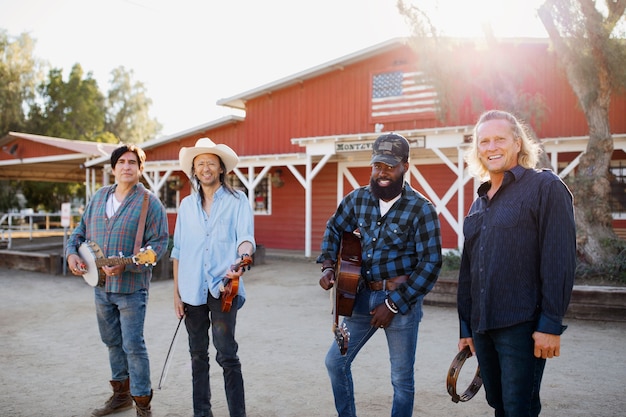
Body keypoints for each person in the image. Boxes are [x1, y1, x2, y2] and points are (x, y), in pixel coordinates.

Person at [457, 110, 577, 416]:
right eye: (484, 141)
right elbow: (468, 272)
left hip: (521, 326)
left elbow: (559, 259)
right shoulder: (478, 203)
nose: (491, 146)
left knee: (518, 409)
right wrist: (466, 327)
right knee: (499, 405)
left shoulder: (544, 187)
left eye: (500, 139)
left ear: (518, 143)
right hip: (483, 327)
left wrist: (550, 324)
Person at [318, 133, 443, 417]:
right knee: (335, 362)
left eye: (390, 166)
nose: (382, 173)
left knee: (401, 379)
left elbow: (431, 263)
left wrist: (394, 304)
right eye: (377, 165)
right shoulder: (357, 199)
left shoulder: (421, 209)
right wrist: (327, 264)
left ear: (405, 167)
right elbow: (334, 228)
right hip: (359, 297)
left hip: (401, 303)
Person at [66, 144, 169, 417]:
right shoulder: (99, 197)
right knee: (112, 342)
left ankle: (143, 404)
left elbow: (159, 244)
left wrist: (130, 266)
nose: (126, 166)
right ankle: (120, 396)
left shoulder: (150, 202)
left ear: (140, 168)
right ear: (113, 168)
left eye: (132, 162)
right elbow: (78, 232)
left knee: (133, 345)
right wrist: (71, 254)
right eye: (121, 162)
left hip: (132, 289)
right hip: (100, 289)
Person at [171, 137, 255, 417]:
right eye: (200, 164)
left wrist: (243, 259)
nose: (206, 168)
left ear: (221, 169)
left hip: (223, 289)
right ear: (194, 171)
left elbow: (245, 238)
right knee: (197, 356)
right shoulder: (185, 206)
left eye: (211, 163)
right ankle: (202, 413)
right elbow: (178, 252)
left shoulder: (238, 200)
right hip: (191, 290)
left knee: (227, 354)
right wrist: (176, 294)